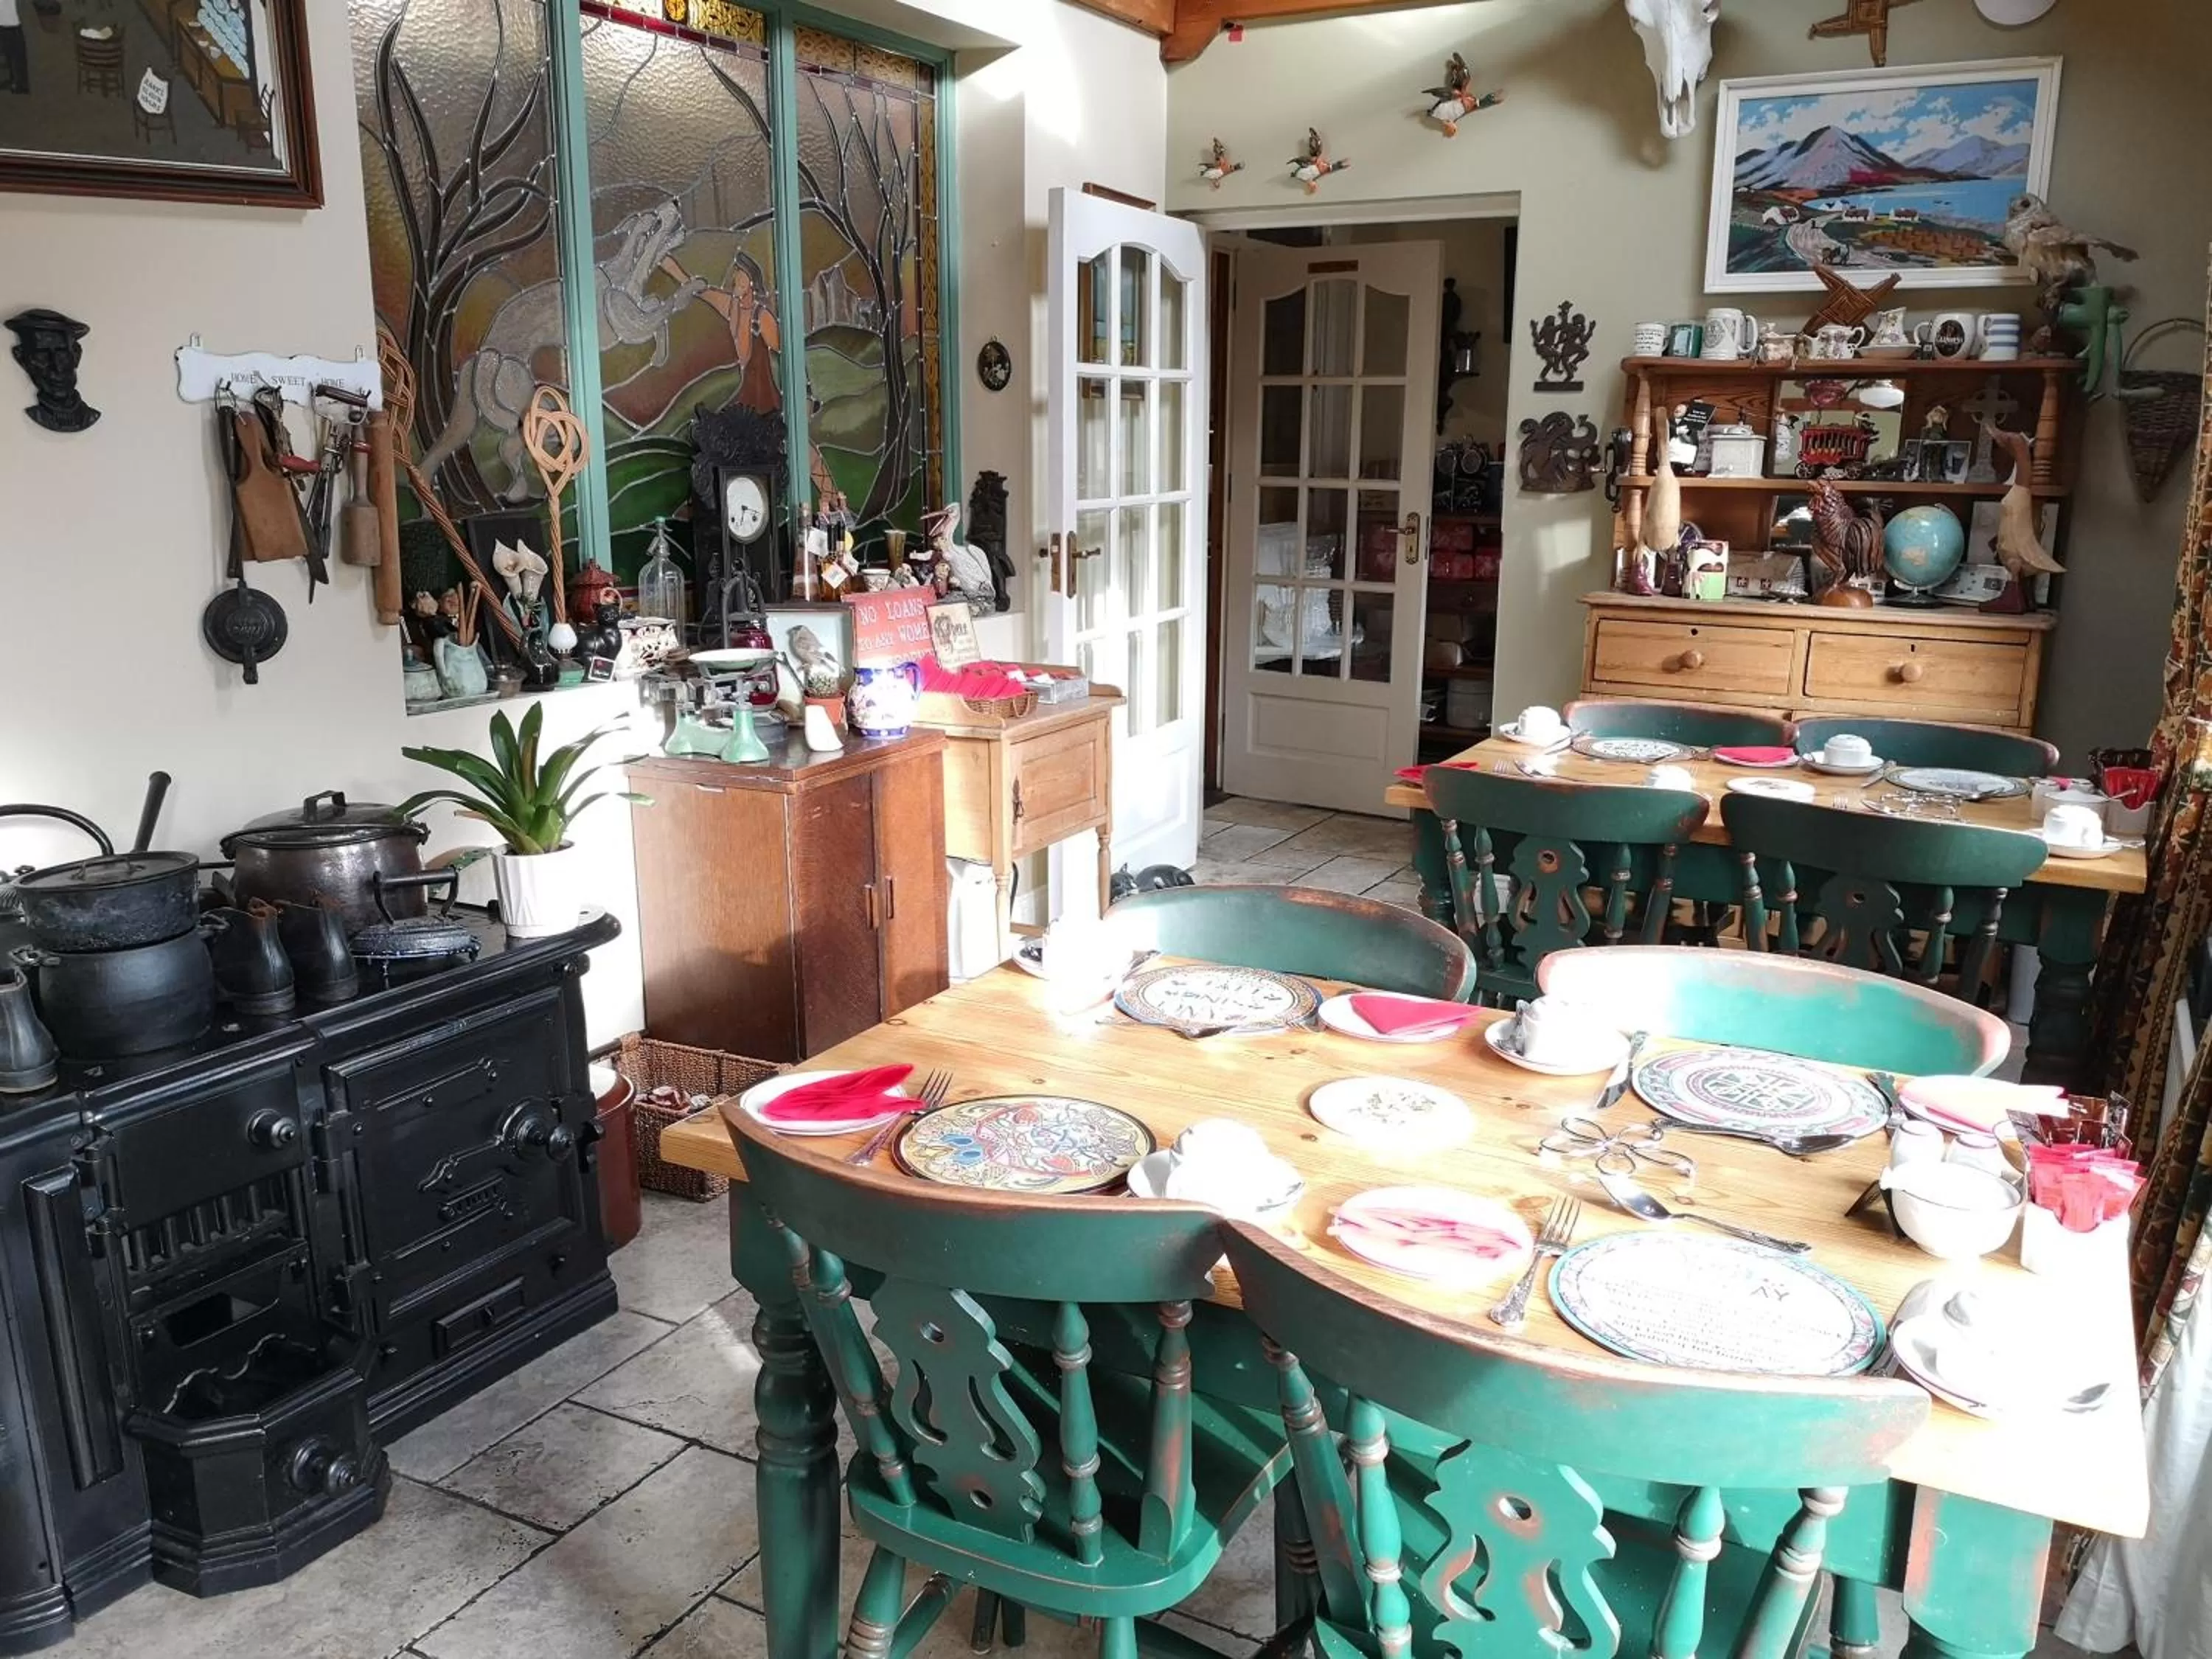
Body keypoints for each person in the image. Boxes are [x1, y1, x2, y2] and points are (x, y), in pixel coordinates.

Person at [0, 0, 29, 96]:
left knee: (18, 54)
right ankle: (13, 80)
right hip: (4, 22)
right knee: (8, 53)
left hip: (16, 22)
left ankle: (21, 83)